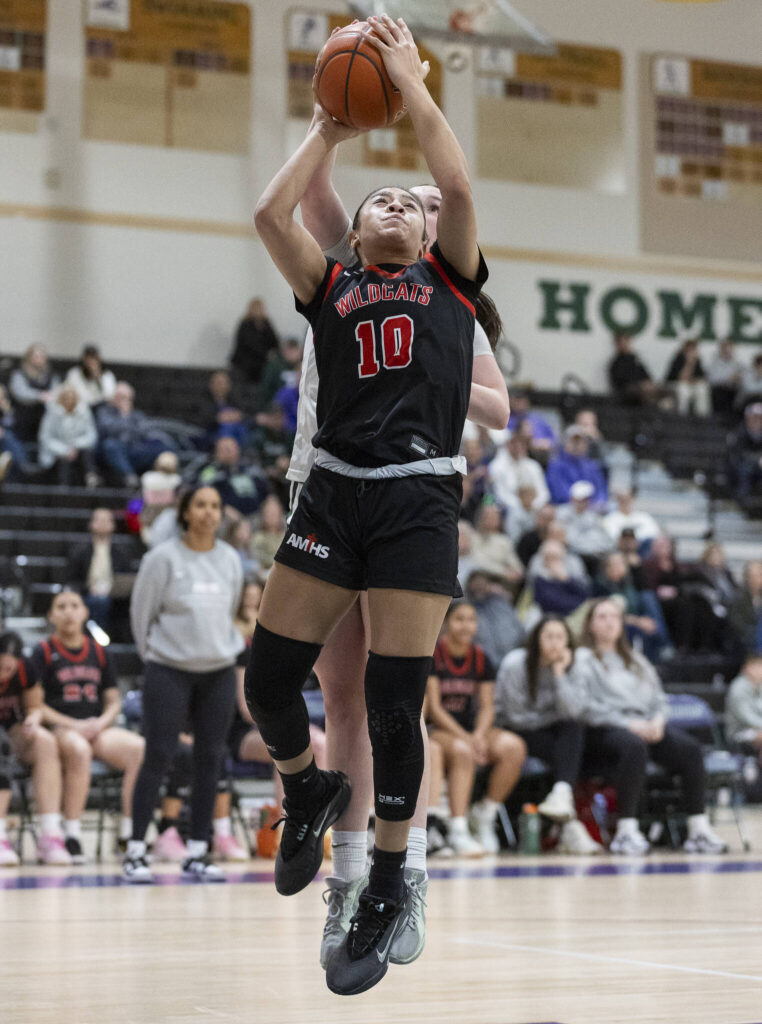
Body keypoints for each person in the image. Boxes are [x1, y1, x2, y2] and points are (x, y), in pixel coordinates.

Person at [248, 14, 491, 994]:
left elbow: (459, 183)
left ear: (430, 232)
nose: (393, 203)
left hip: (416, 500)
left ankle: (390, 877)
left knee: (394, 704)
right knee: (270, 682)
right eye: (374, 199)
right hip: (333, 491)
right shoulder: (332, 282)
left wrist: (410, 83)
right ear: (351, 229)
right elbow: (271, 215)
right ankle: (306, 788)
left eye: (407, 200)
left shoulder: (453, 284)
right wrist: (330, 131)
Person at [123, 485, 244, 883]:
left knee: (211, 758)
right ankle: (137, 850)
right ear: (185, 512)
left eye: (215, 505)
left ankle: (197, 851)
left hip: (218, 670)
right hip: (168, 668)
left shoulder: (230, 559)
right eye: (201, 505)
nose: (209, 513)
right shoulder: (162, 558)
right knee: (158, 755)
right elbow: (142, 615)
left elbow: (231, 609)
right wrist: (157, 655)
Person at [576, 598, 727, 855]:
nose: (609, 622)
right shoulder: (582, 659)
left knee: (690, 749)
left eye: (614, 616)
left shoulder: (636, 660)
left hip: (647, 725)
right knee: (634, 747)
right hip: (605, 728)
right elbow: (584, 706)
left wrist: (657, 721)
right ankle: (626, 831)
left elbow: (659, 698)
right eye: (601, 617)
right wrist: (629, 724)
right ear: (590, 624)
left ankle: (698, 829)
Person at [32, 591, 145, 863]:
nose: (68, 612)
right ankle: (71, 834)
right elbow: (36, 706)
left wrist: (101, 722)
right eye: (61, 606)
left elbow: (113, 700)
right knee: (79, 750)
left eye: (74, 606)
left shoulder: (98, 651)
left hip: (96, 727)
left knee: (140, 749)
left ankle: (130, 834)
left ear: (85, 612)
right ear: (51, 616)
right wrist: (74, 725)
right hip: (61, 728)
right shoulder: (43, 650)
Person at [494, 616, 603, 855]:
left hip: (550, 732)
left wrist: (559, 674)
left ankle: (562, 797)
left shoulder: (572, 665)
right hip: (514, 731)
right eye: (549, 637)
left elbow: (574, 712)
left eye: (560, 637)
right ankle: (568, 824)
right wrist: (551, 719)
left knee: (573, 731)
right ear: (536, 640)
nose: (555, 643)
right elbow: (515, 716)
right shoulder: (516, 663)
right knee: (567, 750)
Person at [426, 600, 526, 856]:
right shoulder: (434, 654)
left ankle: (485, 815)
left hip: (472, 729)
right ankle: (458, 829)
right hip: (440, 728)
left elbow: (487, 707)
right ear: (446, 622)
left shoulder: (482, 658)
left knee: (513, 747)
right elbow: (435, 709)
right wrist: (469, 740)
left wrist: (479, 736)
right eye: (459, 619)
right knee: (462, 750)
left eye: (471, 620)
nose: (466, 625)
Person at [0, 631, 71, 865]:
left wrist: (33, 717)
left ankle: (50, 835)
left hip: (13, 730)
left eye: (8, 669)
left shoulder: (26, 669)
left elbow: (35, 705)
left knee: (46, 742)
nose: (3, 674)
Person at [65, 507, 141, 634]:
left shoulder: (122, 551)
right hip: (87, 595)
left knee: (107, 603)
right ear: (91, 524)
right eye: (99, 520)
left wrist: (112, 589)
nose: (103, 524)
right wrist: (89, 590)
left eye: (107, 520)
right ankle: (97, 638)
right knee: (98, 603)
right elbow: (72, 580)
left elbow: (127, 577)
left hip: (114, 597)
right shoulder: (79, 550)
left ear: (113, 525)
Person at [96, 382, 174, 488]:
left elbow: (148, 432)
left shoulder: (138, 415)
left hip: (134, 449)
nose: (123, 401)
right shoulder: (104, 412)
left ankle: (157, 483)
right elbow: (109, 430)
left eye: (126, 398)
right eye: (120, 397)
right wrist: (124, 415)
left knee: (163, 447)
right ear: (113, 398)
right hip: (114, 450)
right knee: (110, 444)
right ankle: (130, 476)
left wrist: (165, 441)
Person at [38, 385, 99, 487]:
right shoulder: (52, 412)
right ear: (60, 398)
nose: (69, 401)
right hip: (57, 453)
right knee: (64, 460)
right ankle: (63, 490)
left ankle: (91, 478)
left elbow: (91, 435)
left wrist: (74, 446)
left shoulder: (84, 411)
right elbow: (45, 438)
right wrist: (65, 450)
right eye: (66, 398)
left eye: (72, 398)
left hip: (79, 450)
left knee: (86, 452)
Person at [197, 436, 270, 519]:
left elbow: (267, 492)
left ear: (238, 450)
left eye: (231, 448)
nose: (228, 452)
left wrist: (270, 505)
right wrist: (223, 508)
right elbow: (205, 495)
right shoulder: (210, 472)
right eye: (224, 449)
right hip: (227, 517)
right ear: (217, 453)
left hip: (258, 515)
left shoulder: (251, 468)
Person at [487, 429, 550, 512]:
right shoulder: (496, 466)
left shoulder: (533, 466)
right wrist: (521, 506)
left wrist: (534, 505)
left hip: (535, 509)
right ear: (507, 445)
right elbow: (500, 494)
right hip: (508, 510)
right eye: (513, 443)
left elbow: (544, 493)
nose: (517, 447)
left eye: (520, 444)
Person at [546, 426, 608, 507]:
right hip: (566, 508)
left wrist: (598, 503)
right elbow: (559, 493)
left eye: (580, 442)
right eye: (573, 441)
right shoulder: (556, 466)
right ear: (564, 444)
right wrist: (578, 503)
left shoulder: (592, 466)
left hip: (591, 509)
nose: (577, 445)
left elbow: (601, 492)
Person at [9, 343, 60, 441]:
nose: (39, 359)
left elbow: (56, 391)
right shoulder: (19, 373)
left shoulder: (51, 374)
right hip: (24, 416)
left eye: (42, 356)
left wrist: (51, 396)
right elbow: (20, 393)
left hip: (46, 416)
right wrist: (40, 396)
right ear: (28, 357)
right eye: (36, 356)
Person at [230, 297, 279, 384]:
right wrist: (265, 354)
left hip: (262, 361)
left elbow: (274, 341)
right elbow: (248, 343)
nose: (258, 311)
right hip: (246, 360)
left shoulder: (266, 324)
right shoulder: (245, 324)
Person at [607, 334, 665, 406]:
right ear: (617, 345)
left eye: (626, 342)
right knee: (643, 391)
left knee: (665, 390)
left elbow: (646, 374)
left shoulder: (636, 360)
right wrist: (640, 384)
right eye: (622, 342)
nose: (625, 345)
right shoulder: (616, 363)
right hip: (628, 390)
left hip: (642, 386)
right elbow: (620, 383)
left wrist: (649, 383)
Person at [725, 654, 762, 764]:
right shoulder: (738, 687)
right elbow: (748, 718)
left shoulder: (759, 686)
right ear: (747, 668)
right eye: (758, 666)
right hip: (739, 734)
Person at [602, 487, 661, 553]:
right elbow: (612, 535)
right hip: (618, 551)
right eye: (621, 499)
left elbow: (653, 532)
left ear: (632, 499)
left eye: (627, 499)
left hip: (642, 551)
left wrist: (635, 541)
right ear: (617, 500)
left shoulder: (644, 517)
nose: (625, 502)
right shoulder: (610, 518)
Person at [200, 370, 247, 449]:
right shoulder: (204, 400)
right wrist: (218, 419)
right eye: (218, 383)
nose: (221, 386)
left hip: (236, 430)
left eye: (224, 383)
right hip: (214, 431)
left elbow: (244, 415)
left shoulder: (235, 401)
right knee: (227, 428)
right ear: (211, 385)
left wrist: (238, 416)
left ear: (229, 385)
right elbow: (202, 418)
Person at [664, 338, 709, 416]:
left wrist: (694, 380)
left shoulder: (697, 361)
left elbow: (701, 378)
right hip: (674, 385)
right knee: (683, 389)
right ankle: (682, 416)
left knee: (702, 388)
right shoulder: (678, 358)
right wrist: (689, 363)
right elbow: (681, 378)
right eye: (691, 349)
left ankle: (702, 416)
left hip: (690, 386)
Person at [728, 402, 762, 502]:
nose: (757, 420)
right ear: (748, 417)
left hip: (759, 465)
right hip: (741, 464)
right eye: (754, 417)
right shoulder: (739, 432)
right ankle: (743, 501)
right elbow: (738, 453)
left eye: (760, 418)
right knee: (745, 471)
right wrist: (757, 459)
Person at [729, 560, 762, 656]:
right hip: (744, 644)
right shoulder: (737, 598)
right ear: (747, 578)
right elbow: (737, 626)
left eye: (760, 575)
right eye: (754, 576)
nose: (758, 579)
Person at [707, 340, 743, 415]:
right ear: (721, 350)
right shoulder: (714, 363)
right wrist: (729, 378)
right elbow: (712, 380)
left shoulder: (737, 364)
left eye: (730, 349)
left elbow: (743, 377)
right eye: (726, 349)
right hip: (719, 390)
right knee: (720, 393)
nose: (728, 351)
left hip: (733, 390)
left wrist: (738, 378)